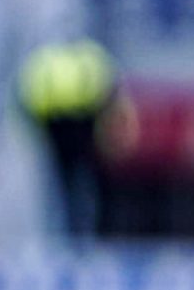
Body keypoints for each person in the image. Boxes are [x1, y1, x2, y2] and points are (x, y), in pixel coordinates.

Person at [16, 36, 118, 240]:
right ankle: (81, 231)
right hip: (81, 125)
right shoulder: (90, 56)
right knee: (82, 183)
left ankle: (66, 231)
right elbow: (109, 92)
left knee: (63, 184)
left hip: (57, 126)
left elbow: (27, 97)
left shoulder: (44, 58)